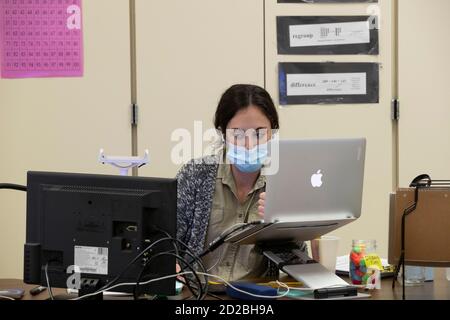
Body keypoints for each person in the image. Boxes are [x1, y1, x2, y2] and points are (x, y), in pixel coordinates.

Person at [176, 84, 306, 282]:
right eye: (237, 134)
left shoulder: (283, 181)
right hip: (198, 295)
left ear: (273, 133)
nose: (249, 145)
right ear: (222, 133)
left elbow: (297, 266)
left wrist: (282, 225)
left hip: (258, 297)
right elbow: (164, 242)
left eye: (259, 134)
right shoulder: (196, 174)